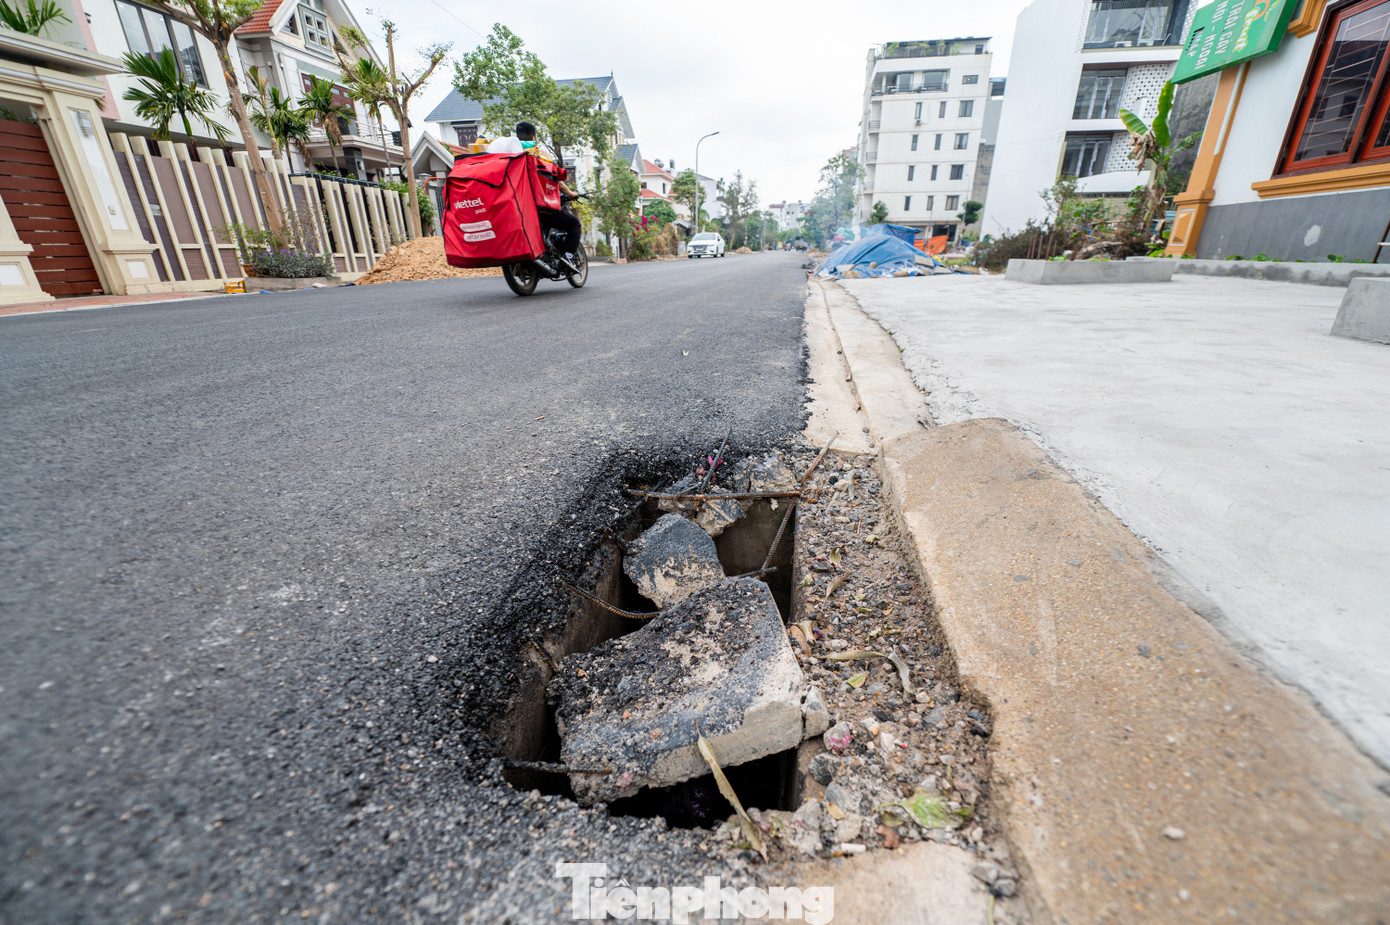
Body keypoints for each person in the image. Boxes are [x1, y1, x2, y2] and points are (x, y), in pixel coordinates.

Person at [489, 122, 581, 269]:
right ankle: (568, 257)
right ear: (534, 137)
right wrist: (570, 193)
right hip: (539, 206)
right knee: (574, 224)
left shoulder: (506, 154)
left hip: (512, 205)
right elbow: (555, 179)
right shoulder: (539, 153)